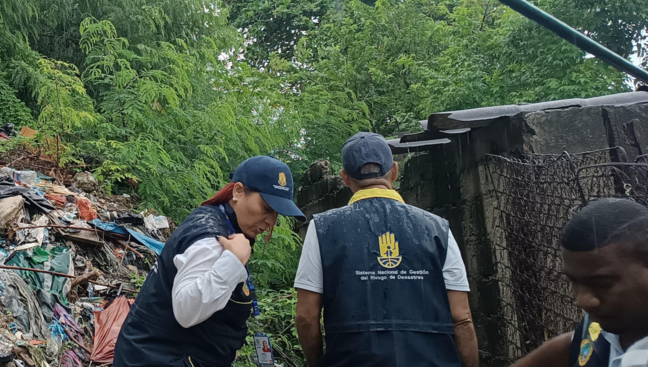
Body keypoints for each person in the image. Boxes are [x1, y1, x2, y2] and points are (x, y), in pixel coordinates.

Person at [293, 132, 479, 367]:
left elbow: (306, 316)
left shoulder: (322, 229)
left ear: (345, 178)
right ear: (394, 171)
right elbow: (461, 318)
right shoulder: (438, 229)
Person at [113, 156, 306, 367]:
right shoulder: (213, 239)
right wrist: (232, 262)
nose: (270, 221)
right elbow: (186, 310)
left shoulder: (218, 221)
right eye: (266, 208)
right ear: (238, 191)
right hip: (157, 358)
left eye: (276, 213)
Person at [508, 198, 648, 367]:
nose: (583, 301)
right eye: (573, 280)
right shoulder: (613, 320)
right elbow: (576, 342)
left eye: (602, 283)